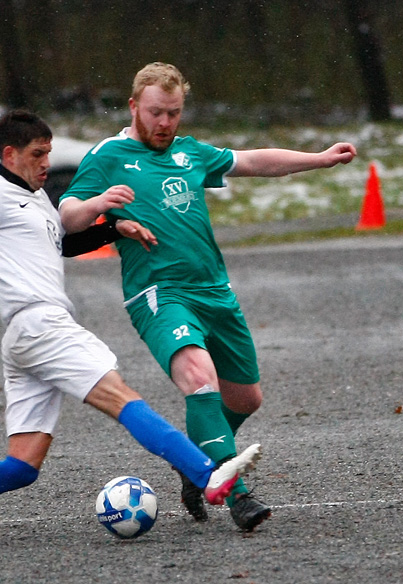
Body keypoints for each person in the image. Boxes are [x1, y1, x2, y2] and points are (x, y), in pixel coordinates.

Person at [0, 109, 262, 550]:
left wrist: (114, 228)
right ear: (10, 154)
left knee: (21, 466)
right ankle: (208, 477)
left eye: (49, 153)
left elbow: (63, 245)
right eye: (38, 154)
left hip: (24, 338)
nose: (46, 163)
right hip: (41, 325)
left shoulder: (37, 199)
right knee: (121, 397)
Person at [59, 62, 357, 530]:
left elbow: (253, 161)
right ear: (135, 106)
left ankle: (194, 461)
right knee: (200, 380)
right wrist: (98, 205)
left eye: (173, 113)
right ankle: (234, 493)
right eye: (156, 112)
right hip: (157, 293)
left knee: (246, 399)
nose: (164, 123)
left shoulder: (188, 152)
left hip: (214, 290)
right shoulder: (108, 155)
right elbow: (68, 216)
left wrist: (318, 159)